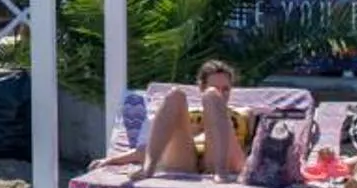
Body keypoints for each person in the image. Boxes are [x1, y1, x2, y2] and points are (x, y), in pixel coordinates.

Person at [98, 58, 251, 179]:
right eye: (215, 88)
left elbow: (254, 150)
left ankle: (220, 171)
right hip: (186, 160)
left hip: (228, 160)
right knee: (175, 95)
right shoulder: (186, 115)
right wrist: (111, 160)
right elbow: (151, 146)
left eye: (226, 89)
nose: (221, 94)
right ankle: (149, 168)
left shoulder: (244, 114)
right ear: (201, 88)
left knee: (212, 97)